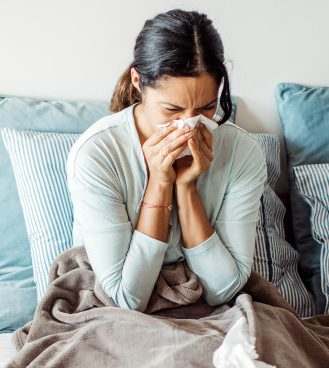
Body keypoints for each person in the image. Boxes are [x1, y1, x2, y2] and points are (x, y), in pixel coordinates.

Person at [66, 9, 266, 311]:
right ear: (137, 81)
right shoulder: (98, 154)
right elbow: (126, 298)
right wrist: (160, 182)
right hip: (114, 314)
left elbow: (224, 289)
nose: (190, 124)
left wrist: (186, 189)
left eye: (207, 108)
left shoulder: (242, 151)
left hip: (209, 311)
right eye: (172, 110)